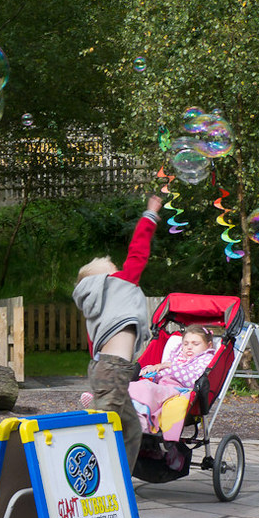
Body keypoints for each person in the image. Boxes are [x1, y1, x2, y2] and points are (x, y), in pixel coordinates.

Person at [72, 194, 162, 473]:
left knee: (131, 430)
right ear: (105, 278)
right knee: (102, 430)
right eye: (113, 269)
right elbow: (138, 252)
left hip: (105, 368)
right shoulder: (119, 283)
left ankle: (120, 481)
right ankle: (87, 480)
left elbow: (94, 344)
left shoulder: (94, 302)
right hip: (114, 369)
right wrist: (150, 214)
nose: (119, 270)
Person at [139, 324, 216, 388]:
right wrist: (152, 372)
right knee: (139, 386)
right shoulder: (177, 355)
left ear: (209, 345)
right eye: (185, 344)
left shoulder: (206, 359)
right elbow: (164, 370)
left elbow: (195, 381)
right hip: (161, 386)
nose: (189, 347)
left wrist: (170, 365)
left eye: (195, 344)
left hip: (179, 391)